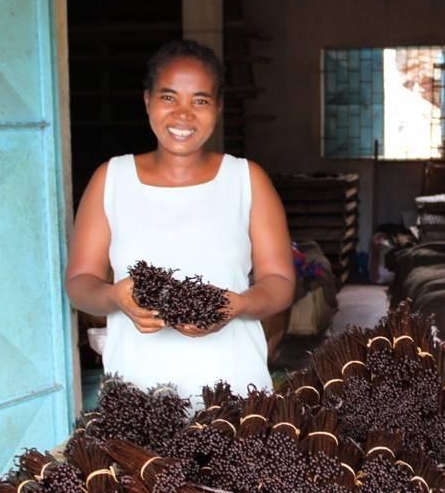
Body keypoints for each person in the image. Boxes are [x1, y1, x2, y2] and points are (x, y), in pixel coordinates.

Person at [65, 40, 294, 402]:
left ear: (217, 108)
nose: (183, 115)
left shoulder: (247, 180)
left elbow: (279, 282)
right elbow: (79, 283)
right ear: (147, 100)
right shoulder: (111, 179)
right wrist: (113, 296)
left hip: (234, 389)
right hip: (138, 394)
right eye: (169, 97)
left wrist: (239, 305)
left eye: (200, 100)